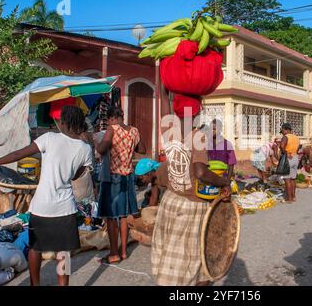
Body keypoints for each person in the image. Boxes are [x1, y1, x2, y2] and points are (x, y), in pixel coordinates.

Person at [0, 106, 92, 286]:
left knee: (35, 248)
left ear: (64, 122)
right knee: (64, 252)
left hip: (42, 206)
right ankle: (63, 284)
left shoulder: (49, 138)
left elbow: (18, 154)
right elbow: (77, 175)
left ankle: (34, 284)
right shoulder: (85, 148)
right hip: (65, 208)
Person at [151, 94, 231, 286]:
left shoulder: (169, 130)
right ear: (197, 114)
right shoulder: (198, 136)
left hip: (171, 200)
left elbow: (163, 101)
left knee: (172, 257)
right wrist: (223, 182)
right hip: (191, 207)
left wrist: (163, 74)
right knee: (197, 260)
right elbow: (201, 172)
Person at [94, 107, 141, 264]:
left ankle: (114, 254)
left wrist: (95, 141)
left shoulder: (112, 129)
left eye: (109, 120)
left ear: (111, 119)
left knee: (111, 216)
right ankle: (123, 252)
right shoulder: (134, 130)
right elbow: (142, 149)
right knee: (122, 216)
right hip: (127, 177)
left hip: (113, 177)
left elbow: (101, 149)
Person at [279, 123, 300, 203]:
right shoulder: (296, 137)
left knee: (287, 179)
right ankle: (293, 196)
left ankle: (289, 199)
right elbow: (298, 148)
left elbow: (281, 146)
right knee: (293, 179)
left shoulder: (286, 137)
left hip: (288, 158)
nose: (282, 132)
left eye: (282, 130)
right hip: (295, 158)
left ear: (285, 129)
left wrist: (286, 153)